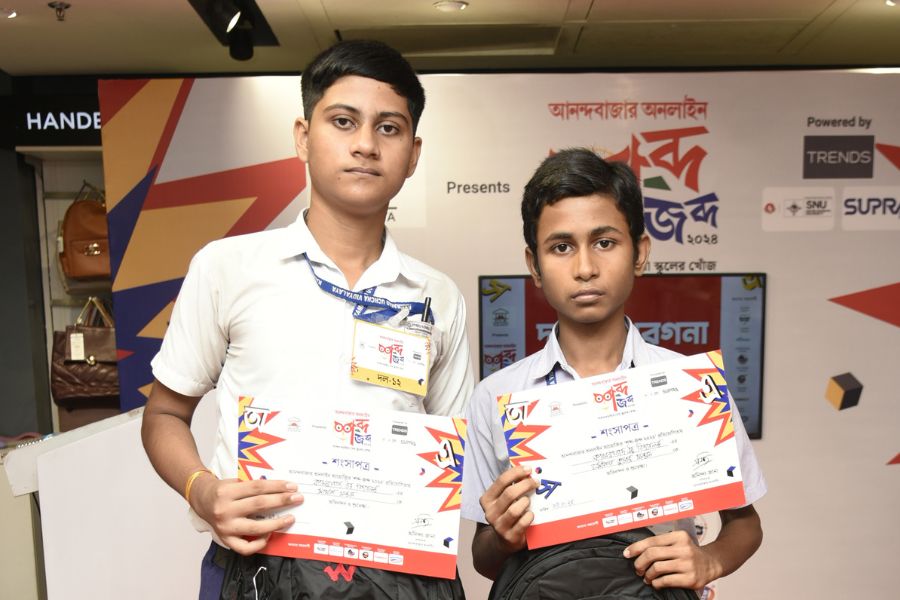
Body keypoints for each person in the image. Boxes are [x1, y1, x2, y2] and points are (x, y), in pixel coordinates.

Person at [141, 39, 474, 599]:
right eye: (343, 122)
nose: (365, 144)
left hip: (398, 576)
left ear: (414, 154)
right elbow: (164, 415)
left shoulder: (438, 296)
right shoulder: (228, 268)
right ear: (302, 136)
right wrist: (202, 490)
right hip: (259, 571)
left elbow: (449, 453)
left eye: (389, 128)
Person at [461, 148, 765, 595]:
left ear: (640, 252)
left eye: (604, 243)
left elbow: (745, 524)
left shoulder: (691, 385)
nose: (585, 268)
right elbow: (483, 557)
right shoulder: (497, 397)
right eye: (561, 247)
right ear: (534, 266)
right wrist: (503, 536)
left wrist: (709, 559)